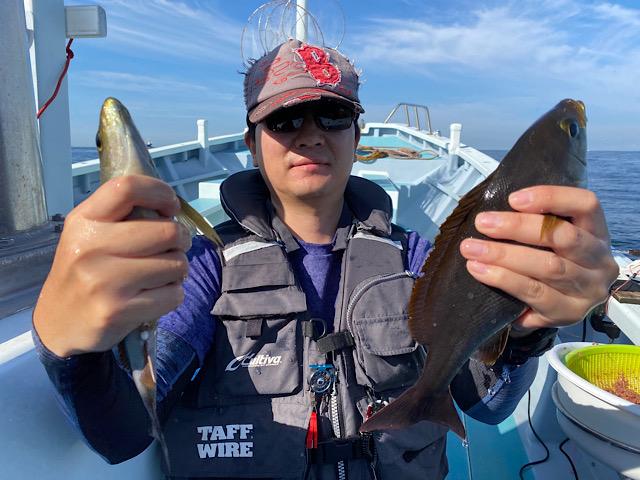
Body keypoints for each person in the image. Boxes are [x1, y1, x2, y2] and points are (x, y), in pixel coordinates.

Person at [32, 39, 619, 480]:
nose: (310, 134)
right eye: (284, 119)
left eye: (332, 116)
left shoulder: (418, 258)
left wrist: (528, 331)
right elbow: (124, 433)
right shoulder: (205, 267)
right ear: (252, 143)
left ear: (356, 137)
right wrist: (68, 347)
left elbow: (487, 405)